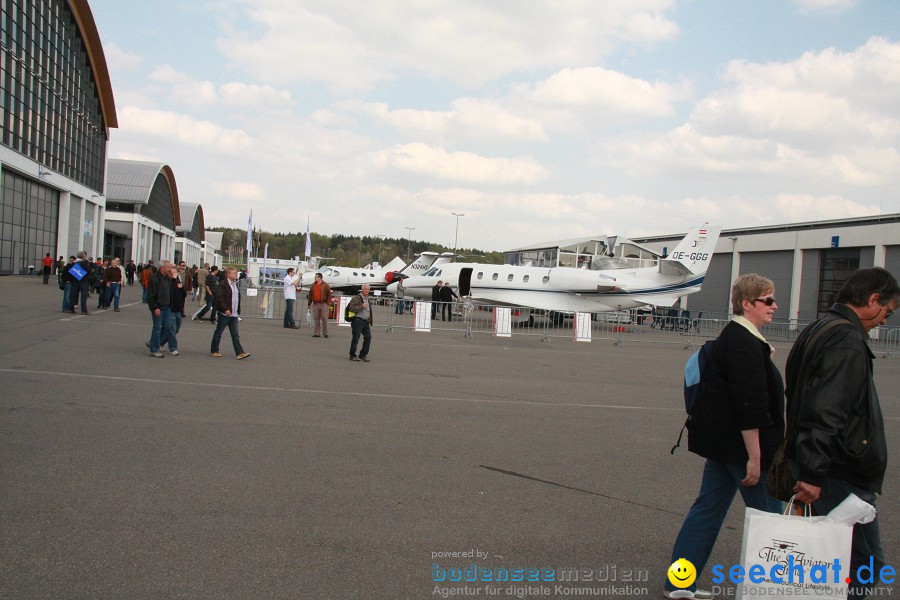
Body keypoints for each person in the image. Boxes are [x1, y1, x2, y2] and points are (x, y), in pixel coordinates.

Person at [663, 274, 784, 600]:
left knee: (707, 511)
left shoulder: (734, 337)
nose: (774, 306)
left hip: (722, 446)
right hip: (742, 449)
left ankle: (679, 583)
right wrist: (756, 458)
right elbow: (750, 406)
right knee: (773, 521)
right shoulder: (745, 344)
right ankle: (775, 589)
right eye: (768, 300)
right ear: (747, 304)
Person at [785, 267, 898, 598]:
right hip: (840, 473)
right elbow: (827, 409)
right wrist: (813, 472)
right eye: (887, 311)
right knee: (866, 565)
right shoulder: (846, 339)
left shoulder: (820, 328)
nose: (885, 320)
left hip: (827, 467)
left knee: (832, 560)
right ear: (873, 299)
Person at [210, 267, 250, 360]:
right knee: (219, 332)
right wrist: (225, 309)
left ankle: (239, 352)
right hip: (225, 314)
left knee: (235, 334)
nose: (236, 275)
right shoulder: (223, 284)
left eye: (236, 273)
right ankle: (214, 350)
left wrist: (237, 310)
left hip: (234, 314)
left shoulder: (235, 284)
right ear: (228, 274)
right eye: (234, 273)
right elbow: (220, 298)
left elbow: (236, 298)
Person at [146, 262, 172, 358]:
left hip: (167, 306)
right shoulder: (155, 279)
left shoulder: (167, 278)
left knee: (168, 327)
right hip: (158, 307)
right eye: (167, 267)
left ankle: (153, 342)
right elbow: (151, 295)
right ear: (162, 268)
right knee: (157, 328)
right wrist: (155, 307)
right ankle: (154, 349)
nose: (169, 269)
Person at [161, 262, 186, 356]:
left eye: (175, 273)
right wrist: (174, 280)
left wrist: (181, 287)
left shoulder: (178, 282)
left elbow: (184, 295)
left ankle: (158, 342)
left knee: (176, 330)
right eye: (172, 274)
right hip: (170, 308)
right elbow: (170, 291)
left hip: (178, 309)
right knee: (172, 329)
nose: (174, 275)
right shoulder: (169, 281)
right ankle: (173, 348)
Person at [347, 283, 373, 362]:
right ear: (362, 289)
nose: (367, 291)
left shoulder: (367, 299)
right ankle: (352, 355)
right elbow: (351, 308)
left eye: (368, 289)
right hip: (357, 321)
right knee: (356, 338)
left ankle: (363, 355)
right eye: (365, 289)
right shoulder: (357, 298)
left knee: (368, 337)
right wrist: (361, 306)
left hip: (365, 322)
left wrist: (370, 319)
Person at [307, 272, 333, 338]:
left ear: (319, 277)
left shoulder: (325, 285)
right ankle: (317, 333)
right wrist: (309, 304)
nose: (315, 278)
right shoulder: (313, 285)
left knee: (324, 318)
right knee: (316, 319)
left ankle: (325, 333)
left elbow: (329, 294)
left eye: (316, 277)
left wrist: (327, 303)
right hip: (315, 303)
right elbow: (310, 295)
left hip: (323, 304)